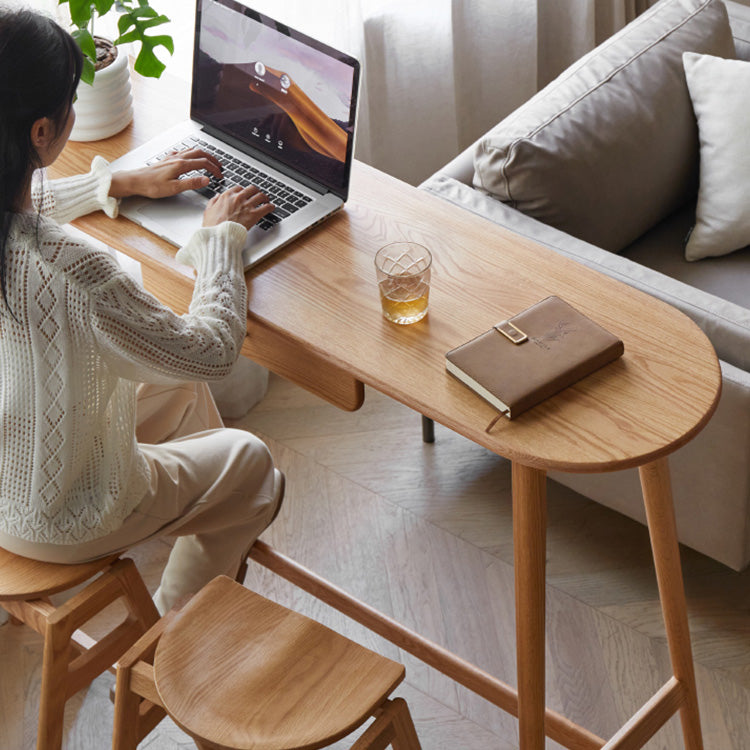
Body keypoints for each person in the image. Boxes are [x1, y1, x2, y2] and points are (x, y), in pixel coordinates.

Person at [0, 7, 283, 614]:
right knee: (252, 461)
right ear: (42, 134)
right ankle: (173, 635)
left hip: (7, 474)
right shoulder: (77, 271)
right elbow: (211, 351)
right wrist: (221, 241)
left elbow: (26, 213)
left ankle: (196, 510)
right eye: (71, 102)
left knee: (175, 393)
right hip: (62, 516)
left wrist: (121, 183)